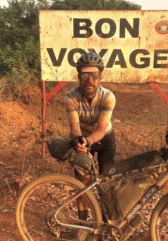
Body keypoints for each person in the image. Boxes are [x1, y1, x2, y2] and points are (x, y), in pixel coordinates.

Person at [48, 51, 116, 220]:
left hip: (105, 139)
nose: (89, 81)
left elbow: (101, 129)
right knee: (82, 183)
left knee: (106, 182)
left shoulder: (108, 97)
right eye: (85, 75)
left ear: (101, 76)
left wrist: (88, 140)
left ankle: (108, 220)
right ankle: (83, 222)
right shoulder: (70, 98)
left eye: (94, 75)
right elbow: (75, 127)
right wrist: (79, 141)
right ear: (78, 76)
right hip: (82, 140)